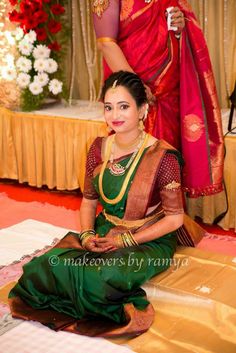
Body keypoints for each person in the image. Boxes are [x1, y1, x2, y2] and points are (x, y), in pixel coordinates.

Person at [8, 71, 203, 337]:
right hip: (104, 230)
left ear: (142, 109)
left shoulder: (162, 157)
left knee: (103, 277)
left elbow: (174, 220)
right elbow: (88, 202)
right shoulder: (98, 148)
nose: (115, 115)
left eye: (124, 106)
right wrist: (87, 235)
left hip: (149, 240)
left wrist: (125, 242)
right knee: (42, 267)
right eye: (109, 107)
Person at [92, 0, 224, 198]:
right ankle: (131, 215)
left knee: (167, 158)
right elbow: (107, 44)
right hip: (131, 92)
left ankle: (169, 217)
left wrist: (179, 29)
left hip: (167, 91)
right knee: (131, 159)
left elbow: (170, 32)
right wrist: (135, 86)